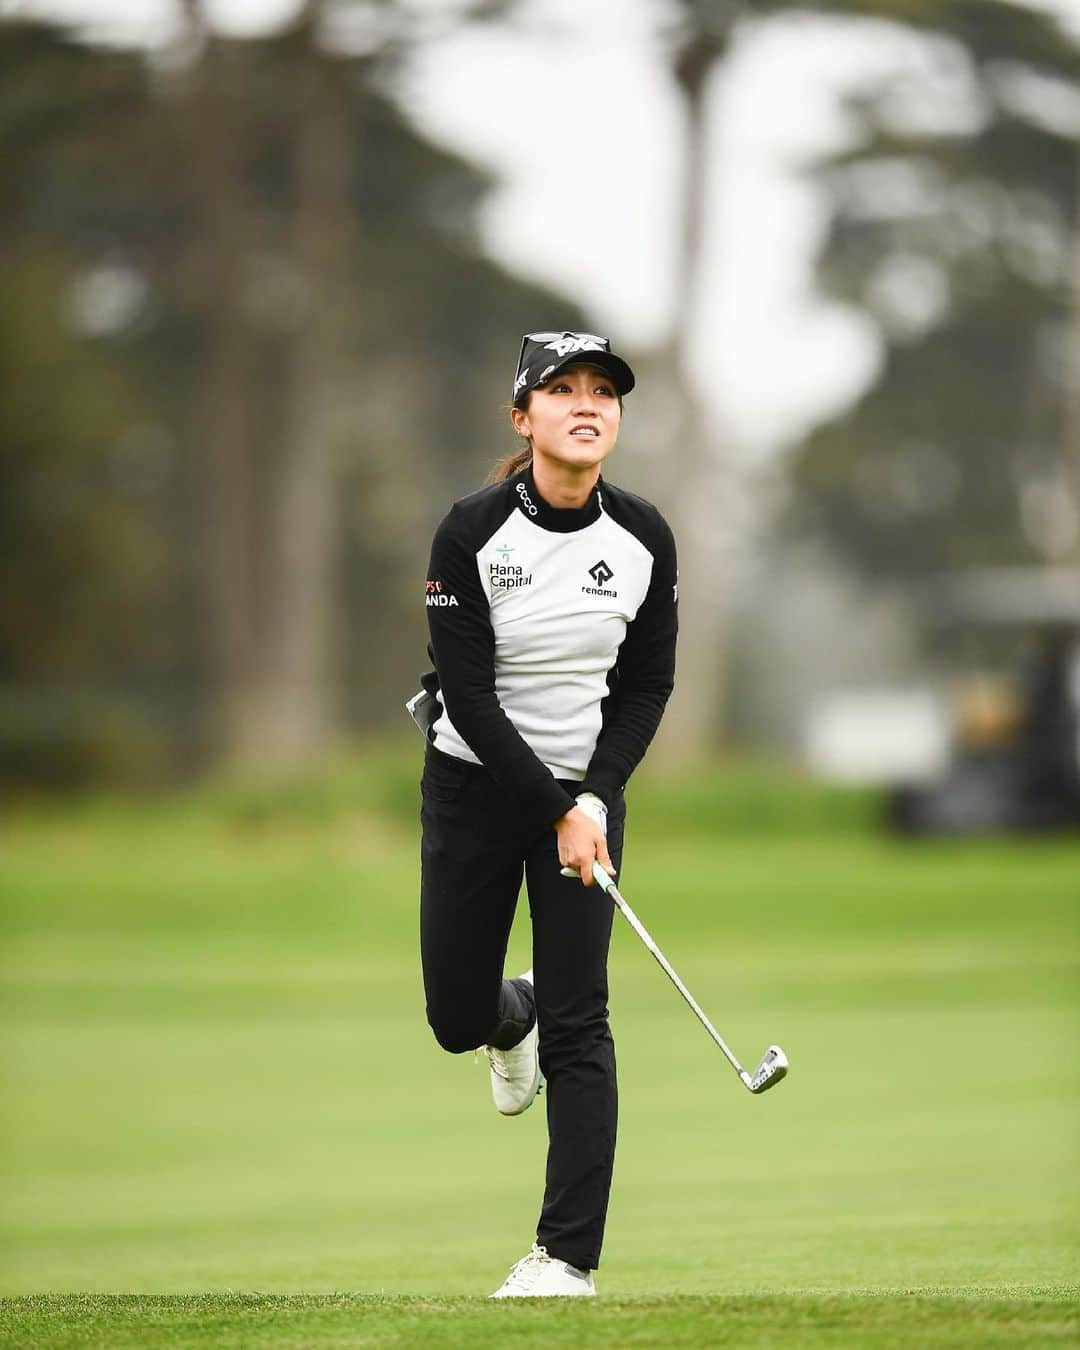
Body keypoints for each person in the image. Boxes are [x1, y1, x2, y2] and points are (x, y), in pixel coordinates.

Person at [407, 330, 678, 1298]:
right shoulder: (469, 533)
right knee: (453, 1015)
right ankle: (500, 1016)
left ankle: (566, 1260)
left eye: (603, 389)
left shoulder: (644, 536)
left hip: (586, 802)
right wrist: (557, 805)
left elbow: (647, 684)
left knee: (582, 1020)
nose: (586, 403)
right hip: (475, 789)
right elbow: (471, 700)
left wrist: (595, 795)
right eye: (560, 389)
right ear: (523, 420)